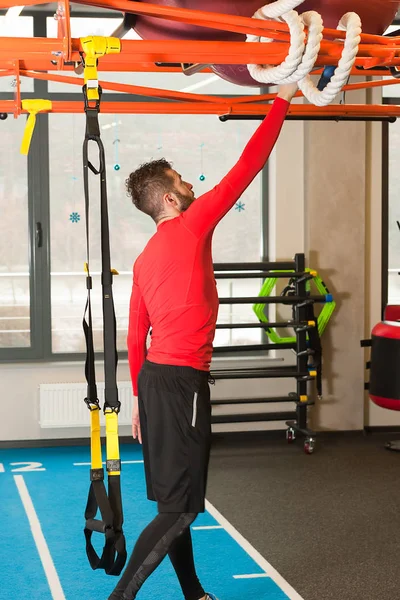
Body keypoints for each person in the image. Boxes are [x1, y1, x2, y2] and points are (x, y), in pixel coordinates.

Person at [108, 83, 298, 600]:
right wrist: (282, 97)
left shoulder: (145, 259)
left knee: (174, 502)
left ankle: (194, 594)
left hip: (157, 383)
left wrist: (139, 405)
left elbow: (134, 334)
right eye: (183, 181)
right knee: (182, 507)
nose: (192, 185)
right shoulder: (191, 226)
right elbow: (249, 163)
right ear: (171, 199)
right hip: (183, 384)